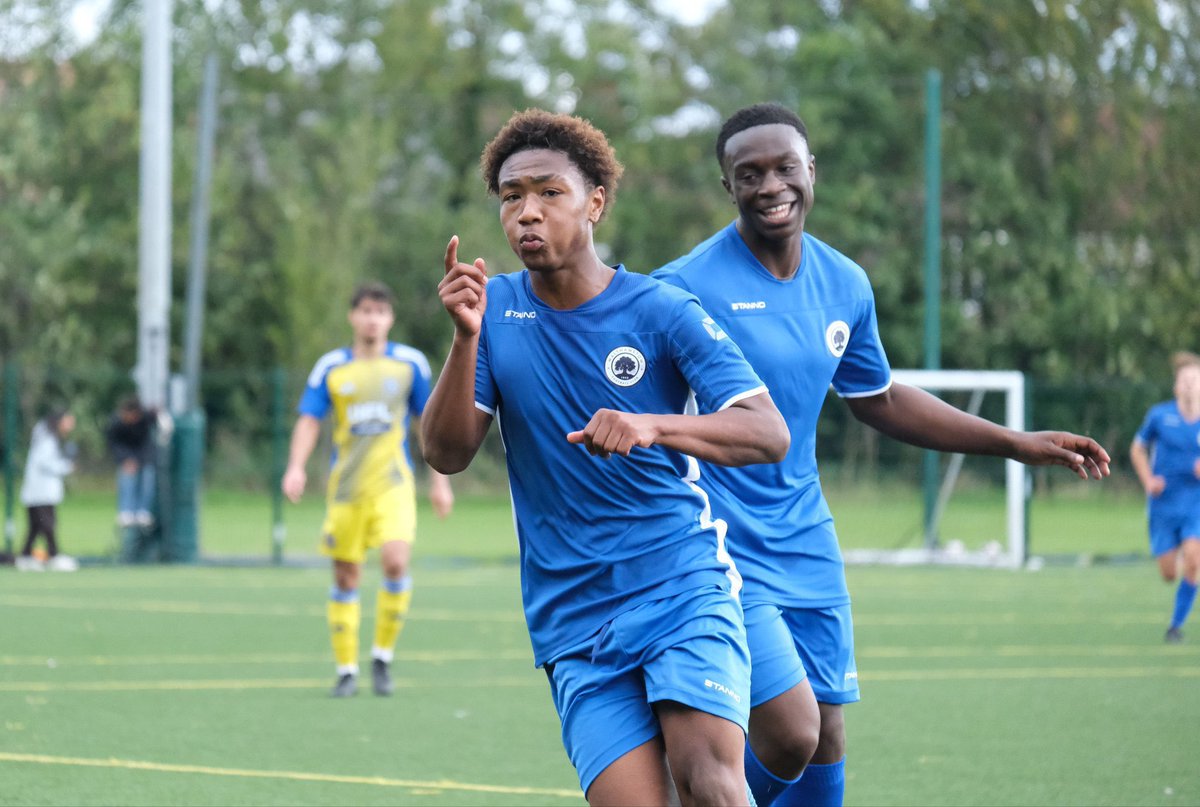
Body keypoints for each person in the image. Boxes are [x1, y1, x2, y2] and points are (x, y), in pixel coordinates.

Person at [653, 102, 1112, 807]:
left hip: (805, 533)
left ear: (814, 173)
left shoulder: (845, 284)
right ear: (729, 187)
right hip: (717, 542)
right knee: (791, 729)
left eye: (785, 167)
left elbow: (880, 398)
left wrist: (1016, 444)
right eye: (749, 174)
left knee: (828, 732)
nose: (770, 185)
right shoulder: (684, 286)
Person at [421, 108, 790, 806]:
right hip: (573, 614)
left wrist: (652, 425)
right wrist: (464, 339)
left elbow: (766, 430)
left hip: (680, 583)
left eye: (548, 192)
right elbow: (445, 454)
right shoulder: (492, 311)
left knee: (711, 782)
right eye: (510, 196)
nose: (526, 212)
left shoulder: (662, 309)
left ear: (594, 202)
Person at [282, 280, 455, 698]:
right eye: (365, 311)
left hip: (393, 486)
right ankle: (346, 669)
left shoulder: (410, 364)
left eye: (380, 312)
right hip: (346, 491)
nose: (372, 319)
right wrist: (296, 467)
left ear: (390, 319)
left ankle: (382, 658)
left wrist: (440, 481)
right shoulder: (332, 368)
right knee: (346, 575)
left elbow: (427, 425)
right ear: (352, 317)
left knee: (396, 561)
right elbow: (309, 420)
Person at [1130, 350, 1200, 643]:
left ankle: (1175, 625)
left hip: (1195, 501)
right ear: (1176, 387)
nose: (1190, 385)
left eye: (1195, 380)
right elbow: (1137, 449)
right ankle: (1182, 555)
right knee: (1169, 573)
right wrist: (1148, 480)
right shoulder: (1160, 415)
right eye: (1185, 380)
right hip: (1163, 504)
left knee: (1194, 561)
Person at [18, 409, 79, 572]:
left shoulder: (46, 435)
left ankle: (25, 556)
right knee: (47, 524)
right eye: (69, 421)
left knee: (36, 526)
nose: (71, 425)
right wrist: (66, 466)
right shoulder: (47, 438)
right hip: (41, 490)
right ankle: (54, 555)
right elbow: (45, 462)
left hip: (38, 490)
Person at [105, 397, 158, 528]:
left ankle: (143, 512)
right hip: (126, 456)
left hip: (144, 456)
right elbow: (114, 444)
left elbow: (148, 445)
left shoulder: (146, 419)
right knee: (127, 478)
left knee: (147, 477)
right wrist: (125, 459)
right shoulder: (116, 423)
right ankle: (126, 512)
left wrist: (140, 461)